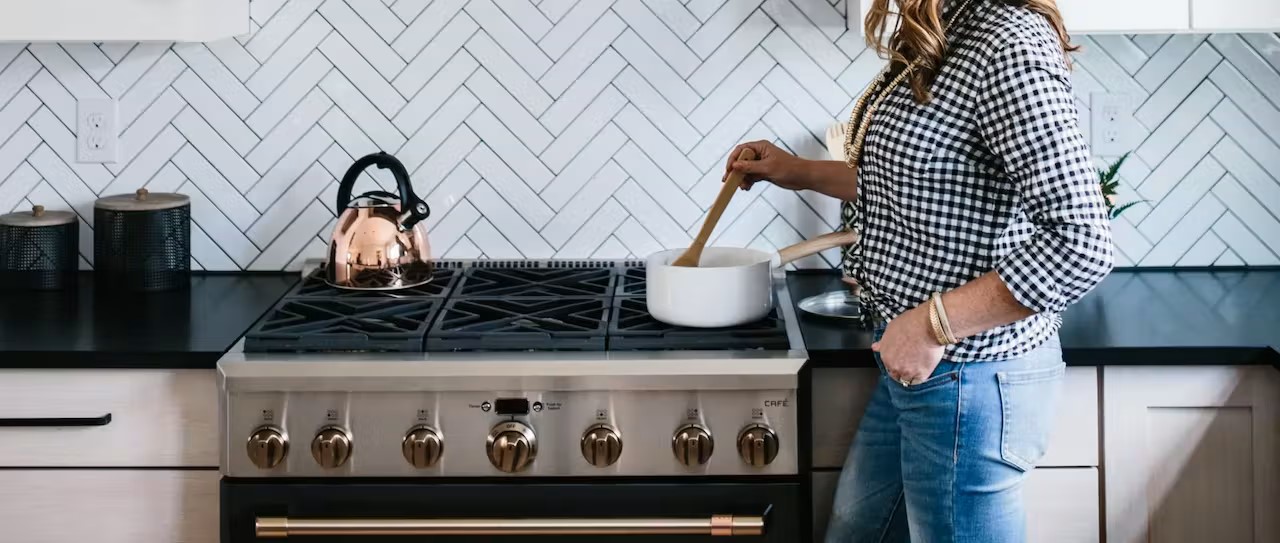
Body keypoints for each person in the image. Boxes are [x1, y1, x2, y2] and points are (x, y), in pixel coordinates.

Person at [723, 0, 1114, 541]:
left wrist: (933, 324)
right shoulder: (947, 28)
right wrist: (793, 171)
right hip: (917, 368)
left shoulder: (1008, 44)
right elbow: (912, 182)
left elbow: (1082, 243)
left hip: (969, 376)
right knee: (856, 532)